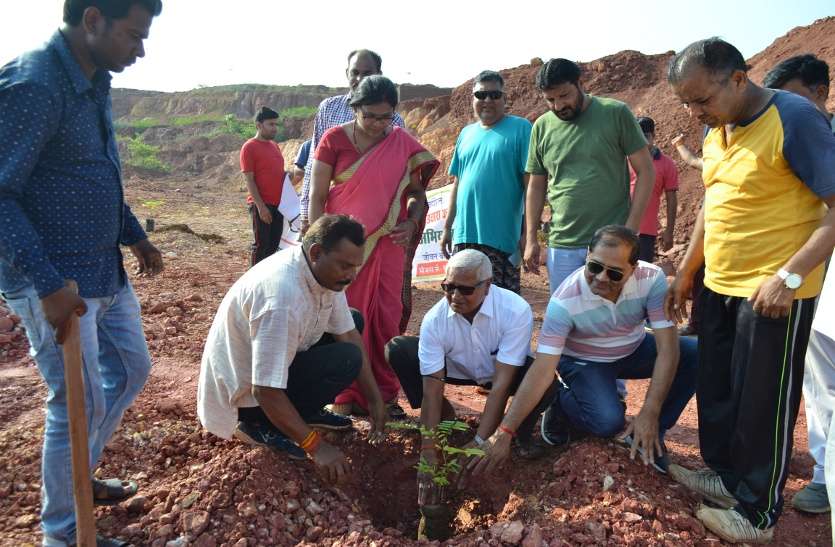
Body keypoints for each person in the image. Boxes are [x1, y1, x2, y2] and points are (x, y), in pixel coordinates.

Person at [0, 1, 164, 545]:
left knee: (131, 370)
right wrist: (45, 283)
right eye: (133, 36)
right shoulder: (35, 85)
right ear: (92, 20)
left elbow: (96, 170)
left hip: (102, 270)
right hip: (54, 279)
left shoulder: (94, 79)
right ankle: (63, 533)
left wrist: (134, 234)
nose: (139, 50)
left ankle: (76, 479)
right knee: (78, 402)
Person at [665, 38, 835, 543]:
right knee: (719, 391)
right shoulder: (720, 126)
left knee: (763, 401)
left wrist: (789, 275)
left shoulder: (796, 119)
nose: (696, 113)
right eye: (687, 104)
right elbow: (714, 205)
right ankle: (725, 476)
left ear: (738, 79)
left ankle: (758, 514)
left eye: (702, 100)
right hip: (720, 283)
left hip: (774, 290)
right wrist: (686, 271)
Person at [471, 226, 696, 478]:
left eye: (614, 273)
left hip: (632, 349)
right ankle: (560, 405)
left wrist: (650, 412)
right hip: (584, 361)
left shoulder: (651, 279)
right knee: (607, 422)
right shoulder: (564, 302)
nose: (601, 278)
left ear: (633, 269)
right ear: (587, 256)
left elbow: (667, 348)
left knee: (694, 353)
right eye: (595, 267)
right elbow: (543, 368)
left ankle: (651, 435)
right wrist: (505, 432)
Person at [198, 215, 388, 482]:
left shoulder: (323, 273)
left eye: (355, 266)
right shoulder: (281, 298)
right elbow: (264, 389)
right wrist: (317, 447)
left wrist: (375, 401)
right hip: (246, 397)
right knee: (347, 359)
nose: (351, 276)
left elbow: (347, 332)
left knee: (352, 322)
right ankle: (257, 425)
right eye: (345, 266)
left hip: (268, 371)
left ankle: (302, 412)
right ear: (316, 252)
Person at [309, 76, 440, 419]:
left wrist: (411, 222)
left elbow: (418, 194)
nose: (379, 124)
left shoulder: (400, 142)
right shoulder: (333, 140)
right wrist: (317, 243)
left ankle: (383, 394)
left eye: (386, 117)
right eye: (370, 116)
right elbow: (318, 197)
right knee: (344, 316)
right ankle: (342, 395)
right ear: (354, 109)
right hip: (344, 250)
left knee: (386, 316)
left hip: (388, 245)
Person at [386, 249, 551, 467]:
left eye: (465, 289)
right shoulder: (434, 320)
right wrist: (428, 449)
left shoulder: (515, 310)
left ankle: (518, 435)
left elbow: (501, 386)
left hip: (502, 375)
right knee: (398, 350)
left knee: (545, 382)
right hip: (457, 371)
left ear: (488, 285)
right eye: (448, 287)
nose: (455, 296)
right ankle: (446, 419)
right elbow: (431, 389)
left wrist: (480, 441)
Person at [763, 53, 835, 515]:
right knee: (820, 379)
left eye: (795, 97)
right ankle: (825, 476)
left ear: (821, 93)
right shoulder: (789, 139)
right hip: (814, 279)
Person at [523, 58, 655, 295]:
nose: (558, 105)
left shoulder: (615, 113)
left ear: (580, 83)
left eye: (564, 95)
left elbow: (646, 171)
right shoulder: (541, 127)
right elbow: (536, 185)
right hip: (562, 244)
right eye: (550, 100)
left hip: (611, 244)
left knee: (611, 318)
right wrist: (531, 238)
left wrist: (631, 231)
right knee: (567, 317)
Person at [440, 70, 532, 294]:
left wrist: (527, 235)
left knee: (500, 304)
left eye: (494, 95)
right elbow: (458, 184)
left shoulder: (521, 129)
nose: (487, 100)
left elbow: (531, 186)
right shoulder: (466, 134)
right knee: (462, 299)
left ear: (505, 99)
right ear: (473, 99)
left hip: (501, 239)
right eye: (481, 95)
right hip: (465, 236)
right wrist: (448, 227)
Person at [300, 49, 405, 228]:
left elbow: (399, 177)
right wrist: (306, 214)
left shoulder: (394, 121)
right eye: (355, 72)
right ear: (347, 73)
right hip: (333, 216)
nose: (359, 78)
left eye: (367, 73)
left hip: (377, 219)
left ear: (378, 74)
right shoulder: (329, 108)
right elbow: (313, 162)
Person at [241, 107, 286, 266]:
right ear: (259, 125)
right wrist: (260, 207)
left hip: (278, 205)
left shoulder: (274, 145)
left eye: (276, 124)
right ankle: (252, 283)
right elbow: (249, 180)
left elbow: (277, 174)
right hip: (261, 204)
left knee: (273, 246)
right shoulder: (249, 147)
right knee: (261, 246)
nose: (275, 128)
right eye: (271, 124)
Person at [629, 117, 679, 263]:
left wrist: (669, 231)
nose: (642, 141)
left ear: (654, 136)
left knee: (641, 278)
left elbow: (671, 199)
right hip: (620, 226)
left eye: (646, 136)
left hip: (646, 232)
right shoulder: (624, 159)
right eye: (638, 136)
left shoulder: (667, 164)